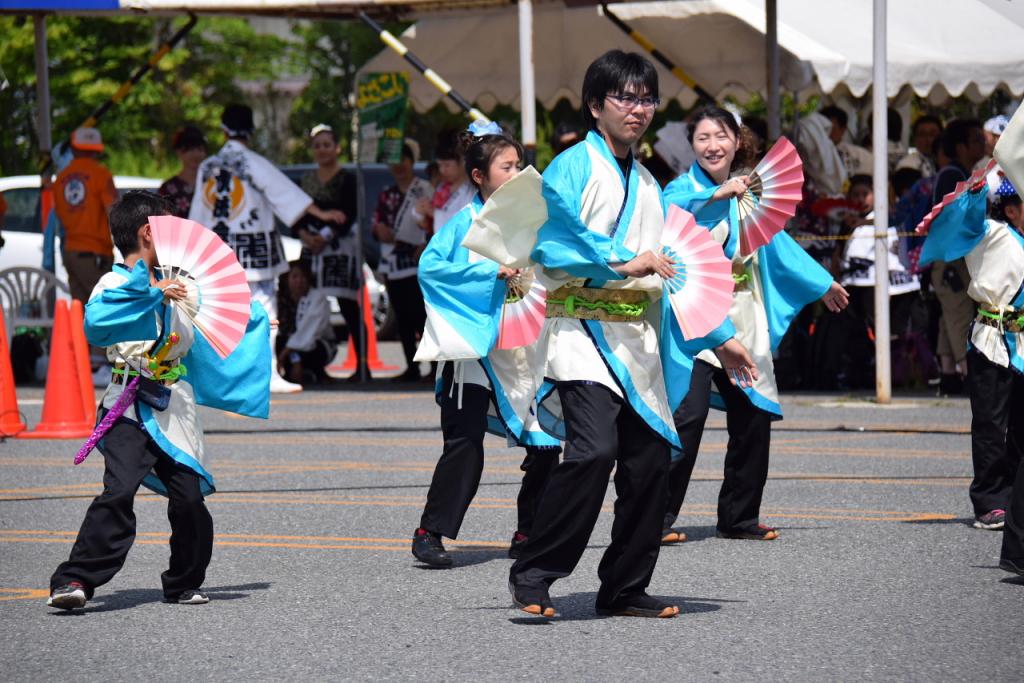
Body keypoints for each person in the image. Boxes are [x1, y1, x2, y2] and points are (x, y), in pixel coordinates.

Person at [476, 51, 743, 619]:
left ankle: (624, 588)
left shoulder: (649, 183)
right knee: (594, 451)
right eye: (624, 97)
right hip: (579, 333)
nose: (637, 108)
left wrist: (720, 333)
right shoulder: (572, 166)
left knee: (651, 463)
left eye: (646, 98)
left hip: (636, 339)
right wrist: (622, 263)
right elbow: (552, 236)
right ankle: (534, 574)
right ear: (596, 106)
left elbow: (676, 262)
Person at [47, 191, 271, 610]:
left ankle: (183, 581)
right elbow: (97, 323)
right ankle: (74, 578)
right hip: (127, 405)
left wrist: (256, 319)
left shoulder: (182, 284)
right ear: (149, 232)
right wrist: (153, 293)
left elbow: (215, 317)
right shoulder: (113, 284)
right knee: (119, 490)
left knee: (189, 497)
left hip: (174, 409)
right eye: (171, 226)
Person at [661, 106, 849, 544]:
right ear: (692, 145)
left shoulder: (748, 194)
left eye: (721, 136)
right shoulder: (679, 190)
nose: (713, 145)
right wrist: (715, 195)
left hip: (740, 312)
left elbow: (775, 243)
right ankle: (656, 519)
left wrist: (822, 283)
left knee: (752, 414)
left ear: (736, 141)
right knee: (686, 416)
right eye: (704, 137)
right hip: (691, 314)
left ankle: (740, 516)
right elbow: (665, 211)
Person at [410, 122, 560, 567]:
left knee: (547, 440)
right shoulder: (462, 223)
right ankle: (429, 532)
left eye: (520, 165)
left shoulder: (538, 219)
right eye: (506, 166)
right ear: (479, 176)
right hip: (474, 350)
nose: (517, 173)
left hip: (525, 347)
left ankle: (529, 530)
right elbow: (429, 270)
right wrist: (487, 274)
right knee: (464, 444)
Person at [189, 103, 344, 394]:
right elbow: (284, 193)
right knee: (264, 309)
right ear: (250, 131)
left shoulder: (208, 166)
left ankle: (226, 377)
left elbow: (199, 212)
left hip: (219, 250)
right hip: (254, 248)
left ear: (224, 131)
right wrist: (321, 215)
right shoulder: (252, 162)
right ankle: (267, 372)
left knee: (221, 313)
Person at [295, 124, 365, 380]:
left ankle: (363, 364)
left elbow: (349, 212)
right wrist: (306, 236)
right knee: (308, 303)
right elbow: (297, 214)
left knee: (348, 306)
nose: (322, 150)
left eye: (327, 144)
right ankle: (310, 363)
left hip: (339, 249)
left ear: (337, 148)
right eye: (317, 145)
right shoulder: (306, 180)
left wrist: (323, 237)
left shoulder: (348, 178)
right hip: (311, 248)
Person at [930, 119, 987, 395]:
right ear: (961, 146)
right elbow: (950, 218)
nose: (983, 144)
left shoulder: (959, 172)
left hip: (952, 256)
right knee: (960, 314)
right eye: (976, 139)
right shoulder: (952, 175)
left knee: (948, 317)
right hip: (950, 259)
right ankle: (968, 374)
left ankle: (948, 372)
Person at [372, 143, 435, 381]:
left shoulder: (424, 189)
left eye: (403, 160)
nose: (398, 166)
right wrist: (380, 231)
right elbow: (375, 223)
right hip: (392, 261)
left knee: (422, 314)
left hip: (418, 259)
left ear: (411, 161)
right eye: (394, 161)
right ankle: (411, 365)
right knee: (402, 317)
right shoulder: (386, 193)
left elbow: (434, 220)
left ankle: (434, 368)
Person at [53, 127, 118, 304]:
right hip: (95, 254)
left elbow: (58, 213)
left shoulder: (60, 179)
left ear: (73, 149)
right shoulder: (101, 174)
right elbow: (114, 210)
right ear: (97, 150)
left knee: (79, 312)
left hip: (71, 252)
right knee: (105, 308)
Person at [277, 261, 336, 385]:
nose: (299, 281)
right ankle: (290, 372)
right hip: (288, 346)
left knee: (314, 347)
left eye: (303, 277)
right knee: (276, 342)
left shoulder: (317, 298)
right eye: (294, 276)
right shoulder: (281, 299)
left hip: (316, 344)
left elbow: (308, 332)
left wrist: (284, 356)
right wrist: (294, 359)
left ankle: (317, 371)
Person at [159, 125, 207, 218]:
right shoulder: (168, 189)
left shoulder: (212, 185)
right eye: (190, 149)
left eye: (200, 149)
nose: (196, 154)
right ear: (179, 151)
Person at [821, 105, 873, 177]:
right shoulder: (810, 153)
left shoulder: (861, 156)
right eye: (823, 128)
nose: (827, 133)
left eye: (831, 129)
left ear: (843, 129)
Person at [897, 115, 943, 179]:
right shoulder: (907, 165)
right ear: (915, 139)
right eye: (922, 135)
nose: (928, 139)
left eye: (932, 134)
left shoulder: (948, 164)